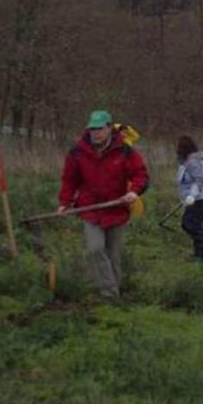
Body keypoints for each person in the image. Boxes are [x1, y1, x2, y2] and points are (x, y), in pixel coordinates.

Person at [58, 110, 149, 299]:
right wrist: (65, 202)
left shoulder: (124, 151)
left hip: (117, 209)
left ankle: (115, 296)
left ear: (109, 128)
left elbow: (140, 174)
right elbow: (69, 180)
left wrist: (133, 192)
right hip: (90, 209)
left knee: (113, 255)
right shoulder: (77, 152)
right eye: (92, 129)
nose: (95, 133)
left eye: (99, 129)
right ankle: (109, 292)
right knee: (95, 249)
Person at [176, 135, 203, 260]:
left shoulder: (193, 162)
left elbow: (199, 180)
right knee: (193, 224)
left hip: (201, 199)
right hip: (196, 199)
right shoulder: (186, 162)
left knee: (190, 224)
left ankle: (200, 253)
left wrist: (192, 196)